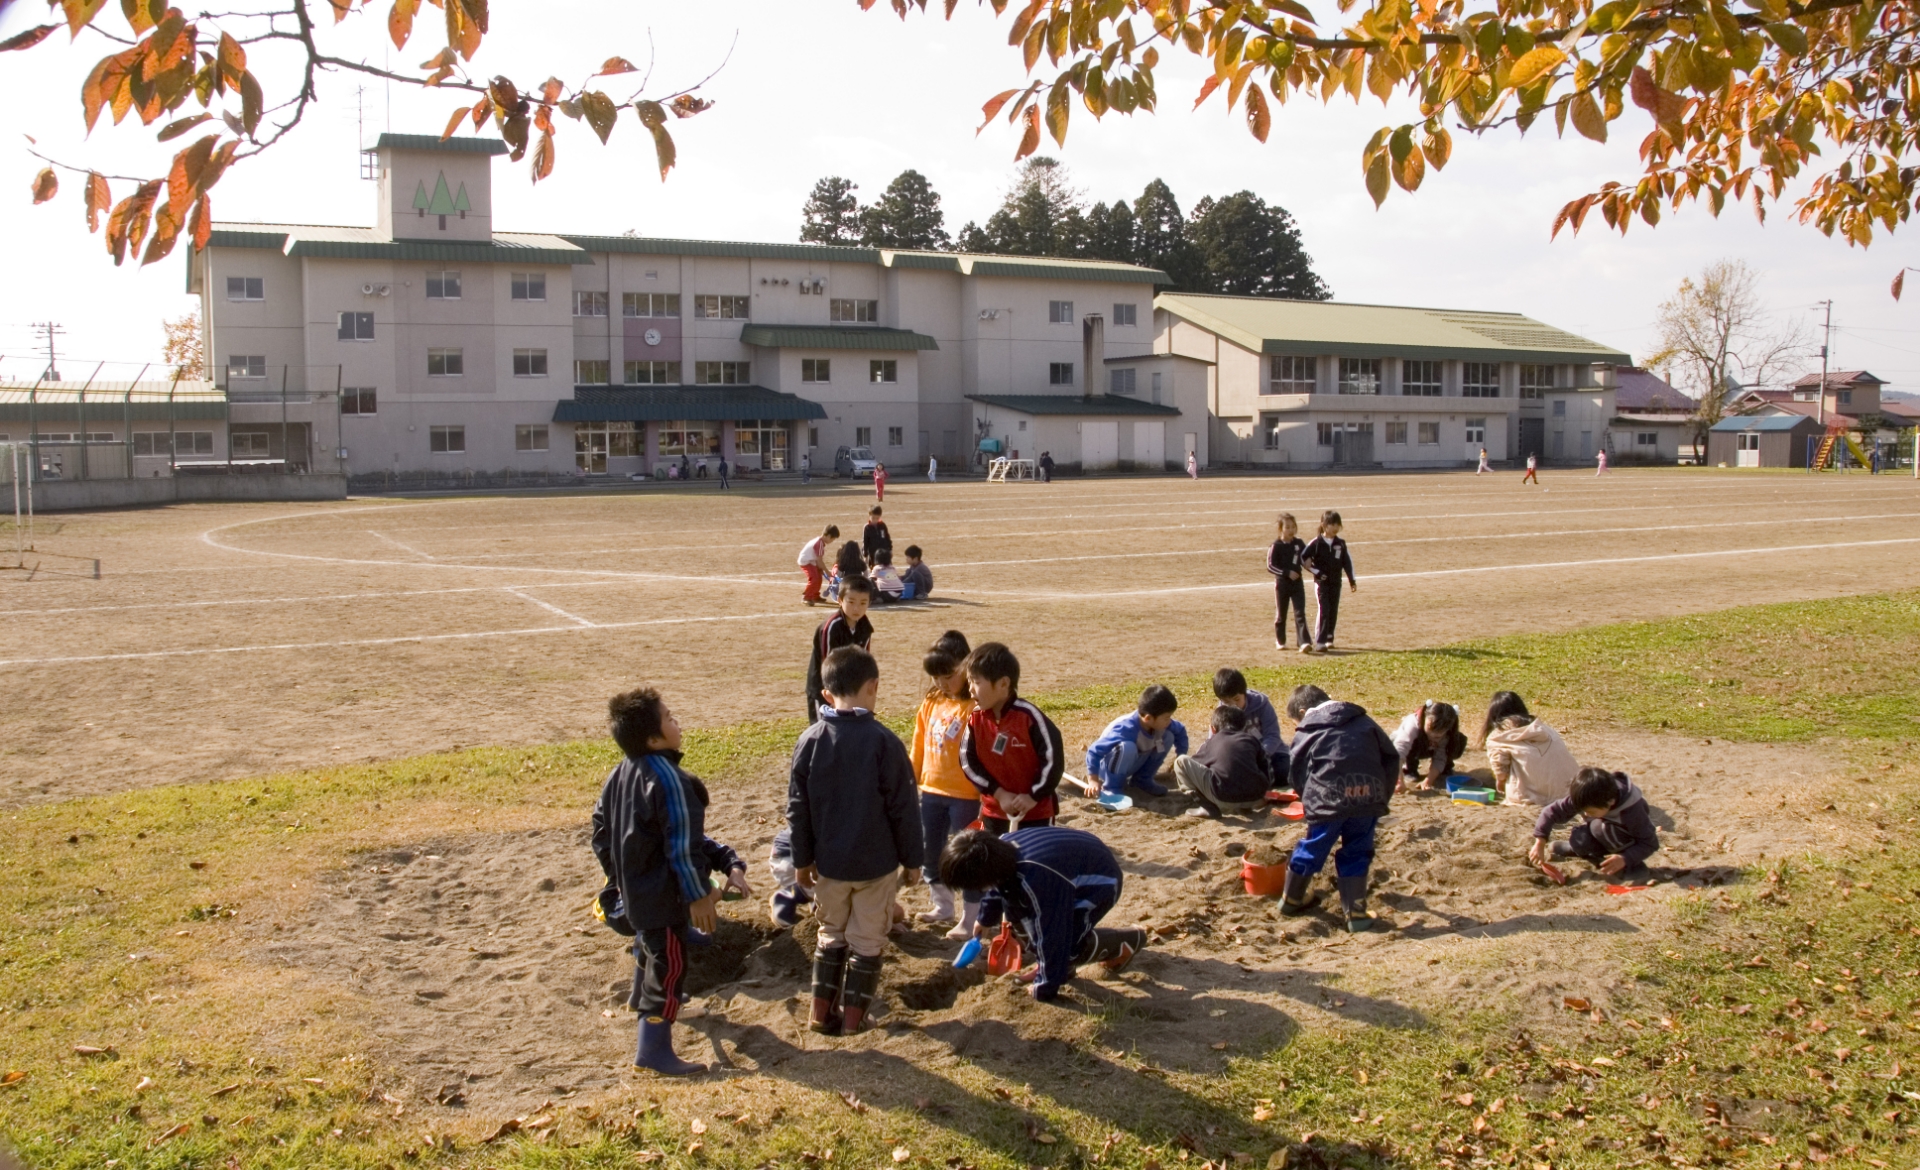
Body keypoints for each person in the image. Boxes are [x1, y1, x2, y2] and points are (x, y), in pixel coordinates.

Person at [591, 687, 753, 1076]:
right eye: (669, 717)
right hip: (662, 899)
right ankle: (653, 1049)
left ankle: (636, 997)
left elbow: (601, 830)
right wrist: (699, 895)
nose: (676, 721)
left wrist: (621, 877)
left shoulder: (621, 772)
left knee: (649, 946)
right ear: (653, 738)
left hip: (634, 895)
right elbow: (682, 847)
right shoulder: (671, 781)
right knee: (670, 965)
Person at [789, 646, 923, 1035]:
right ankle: (853, 1019)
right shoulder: (885, 743)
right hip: (875, 866)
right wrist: (913, 860)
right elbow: (904, 809)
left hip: (828, 865)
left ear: (827, 695)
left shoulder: (809, 740)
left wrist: (802, 859)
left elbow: (797, 809)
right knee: (867, 939)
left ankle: (819, 1014)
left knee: (830, 934)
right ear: (874, 687)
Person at [941, 826, 1146, 1002]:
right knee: (1019, 918)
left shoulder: (1037, 879)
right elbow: (998, 884)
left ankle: (1126, 941)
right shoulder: (998, 849)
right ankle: (1055, 967)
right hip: (1067, 867)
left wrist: (1045, 987)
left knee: (1066, 945)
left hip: (1099, 882)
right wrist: (985, 918)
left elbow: (1053, 934)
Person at [1280, 684, 1398, 932]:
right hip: (1367, 797)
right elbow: (1390, 757)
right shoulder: (1364, 721)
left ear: (1303, 711)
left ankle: (1292, 898)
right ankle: (1355, 913)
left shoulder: (1309, 728)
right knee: (1358, 849)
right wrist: (1380, 798)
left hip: (1327, 800)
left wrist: (1308, 800)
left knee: (1315, 844)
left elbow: (1297, 770)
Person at [958, 642, 1066, 836]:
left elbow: (1053, 758)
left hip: (1036, 814)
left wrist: (1033, 796)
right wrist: (999, 794)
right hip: (995, 811)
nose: (971, 689)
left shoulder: (1029, 717)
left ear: (1003, 684)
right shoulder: (975, 719)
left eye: (976, 682)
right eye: (969, 681)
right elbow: (967, 761)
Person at [910, 633, 978, 931]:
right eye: (935, 677)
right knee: (930, 849)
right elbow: (919, 743)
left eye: (948, 676)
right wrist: (912, 778)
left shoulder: (974, 705)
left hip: (965, 795)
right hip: (931, 791)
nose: (941, 683)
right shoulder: (932, 700)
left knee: (966, 856)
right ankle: (942, 905)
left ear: (966, 667)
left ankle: (971, 917)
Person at [1527, 766, 1660, 879]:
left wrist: (1626, 858)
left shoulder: (1632, 812)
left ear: (1610, 802)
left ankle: (1631, 865)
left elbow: (1649, 843)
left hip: (1626, 839)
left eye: (1590, 811)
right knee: (1581, 837)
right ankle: (1578, 849)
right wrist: (1540, 841)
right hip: (1601, 829)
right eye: (1583, 810)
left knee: (1603, 829)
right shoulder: (1586, 796)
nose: (1585, 814)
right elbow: (1550, 812)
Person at [1086, 685, 1189, 800]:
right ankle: (1112, 786)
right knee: (1127, 747)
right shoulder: (1125, 728)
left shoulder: (1161, 724)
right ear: (1148, 718)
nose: (1169, 721)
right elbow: (1094, 751)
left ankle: (1142, 780)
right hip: (1108, 767)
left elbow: (1180, 731)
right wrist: (1093, 780)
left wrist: (1180, 756)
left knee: (1168, 736)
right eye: (1166, 717)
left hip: (1134, 762)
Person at [1479, 691, 1579, 807]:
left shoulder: (1498, 735)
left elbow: (1499, 766)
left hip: (1536, 797)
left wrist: (1500, 780)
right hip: (1571, 790)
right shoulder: (1543, 728)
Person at [1171, 705, 1273, 817]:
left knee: (1181, 762)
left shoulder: (1212, 741)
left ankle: (1207, 808)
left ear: (1213, 729)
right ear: (1243, 727)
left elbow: (1197, 764)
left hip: (1223, 797)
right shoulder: (1251, 740)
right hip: (1255, 798)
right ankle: (1245, 807)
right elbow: (1264, 765)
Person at [804, 576, 873, 722]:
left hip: (849, 689)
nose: (857, 608)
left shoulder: (865, 627)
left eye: (863, 603)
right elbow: (827, 664)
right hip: (824, 688)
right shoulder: (831, 627)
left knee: (848, 729)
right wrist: (833, 694)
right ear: (840, 600)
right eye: (851, 602)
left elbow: (864, 661)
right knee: (823, 729)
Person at [1212, 667, 1287, 781]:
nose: (1233, 705)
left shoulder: (1262, 704)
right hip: (1240, 759)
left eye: (1237, 699)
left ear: (1244, 694)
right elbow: (1214, 741)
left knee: (1284, 769)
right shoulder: (1221, 713)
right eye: (1227, 702)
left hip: (1268, 755)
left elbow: (1272, 736)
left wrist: (1258, 756)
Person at [1301, 510, 1357, 653]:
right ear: (1324, 525)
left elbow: (1347, 562)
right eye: (1332, 524)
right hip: (1321, 584)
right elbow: (1303, 558)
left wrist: (1352, 580)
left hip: (1336, 582)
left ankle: (1329, 638)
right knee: (1324, 609)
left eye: (1338, 524)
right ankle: (1320, 641)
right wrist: (1316, 572)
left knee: (1333, 610)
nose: (1336, 527)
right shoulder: (1316, 543)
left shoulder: (1341, 544)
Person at [1391, 700, 1468, 792]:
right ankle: (1409, 768)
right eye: (1430, 727)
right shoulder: (1412, 725)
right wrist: (1399, 781)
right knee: (1410, 744)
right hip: (1407, 746)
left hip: (1427, 748)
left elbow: (1440, 757)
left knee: (1458, 741)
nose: (1434, 734)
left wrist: (1428, 781)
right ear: (1425, 717)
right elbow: (1399, 751)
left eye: (1440, 731)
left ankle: (1445, 767)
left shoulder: (1447, 734)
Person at [1267, 512, 1311, 653]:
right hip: (1282, 585)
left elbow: (1306, 558)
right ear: (1280, 529)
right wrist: (1286, 573)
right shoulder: (1276, 546)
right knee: (1281, 614)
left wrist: (1309, 563)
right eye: (1287, 527)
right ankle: (1280, 640)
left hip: (1297, 584)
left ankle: (1304, 642)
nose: (1291, 530)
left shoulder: (1299, 543)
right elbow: (1270, 566)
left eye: (1293, 527)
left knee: (1300, 612)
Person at [766, 827, 812, 928]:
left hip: (794, 854)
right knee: (834, 882)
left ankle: (816, 902)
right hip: (789, 859)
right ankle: (785, 897)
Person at [797, 524, 840, 607]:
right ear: (829, 536)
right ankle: (806, 597)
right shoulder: (819, 544)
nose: (832, 541)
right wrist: (827, 572)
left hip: (811, 561)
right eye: (833, 539)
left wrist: (820, 569)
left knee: (818, 577)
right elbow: (819, 561)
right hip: (806, 562)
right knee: (814, 578)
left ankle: (815, 596)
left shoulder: (819, 542)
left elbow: (818, 560)